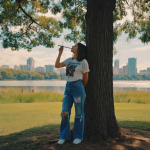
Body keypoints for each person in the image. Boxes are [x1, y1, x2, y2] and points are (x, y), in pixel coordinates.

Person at [55, 43, 90, 144]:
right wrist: (60, 53)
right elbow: (57, 65)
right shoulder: (69, 60)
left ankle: (78, 136)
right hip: (68, 88)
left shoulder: (83, 62)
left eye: (75, 45)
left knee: (79, 114)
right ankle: (63, 137)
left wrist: (80, 89)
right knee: (64, 112)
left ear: (79, 49)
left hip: (78, 87)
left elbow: (86, 78)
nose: (72, 46)